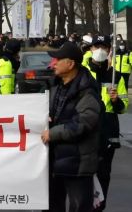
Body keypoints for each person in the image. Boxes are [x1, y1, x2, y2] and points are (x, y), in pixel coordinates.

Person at [43, 42, 100, 212]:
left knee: (79, 207)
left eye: (58, 59)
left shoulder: (87, 91)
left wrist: (53, 133)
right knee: (52, 205)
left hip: (78, 164)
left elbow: (84, 123)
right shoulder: (56, 86)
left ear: (70, 64)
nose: (53, 63)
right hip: (55, 160)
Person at [81, 36, 127, 211]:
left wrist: (116, 101)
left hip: (108, 131)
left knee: (103, 173)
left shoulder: (116, 76)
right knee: (83, 172)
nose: (100, 50)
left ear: (109, 51)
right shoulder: (82, 72)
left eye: (104, 47)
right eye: (96, 46)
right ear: (91, 49)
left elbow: (123, 108)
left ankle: (99, 206)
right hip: (86, 129)